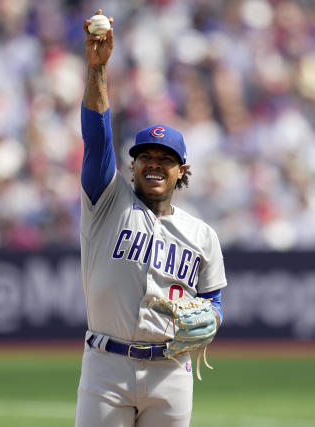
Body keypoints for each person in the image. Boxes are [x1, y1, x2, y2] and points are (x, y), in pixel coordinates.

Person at [75, 10, 228, 427]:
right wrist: (99, 70)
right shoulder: (107, 201)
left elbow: (214, 302)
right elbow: (96, 135)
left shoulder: (202, 235)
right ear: (133, 166)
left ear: (183, 171)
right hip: (106, 366)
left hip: (171, 371)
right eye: (146, 157)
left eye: (166, 159)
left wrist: (213, 318)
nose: (155, 165)